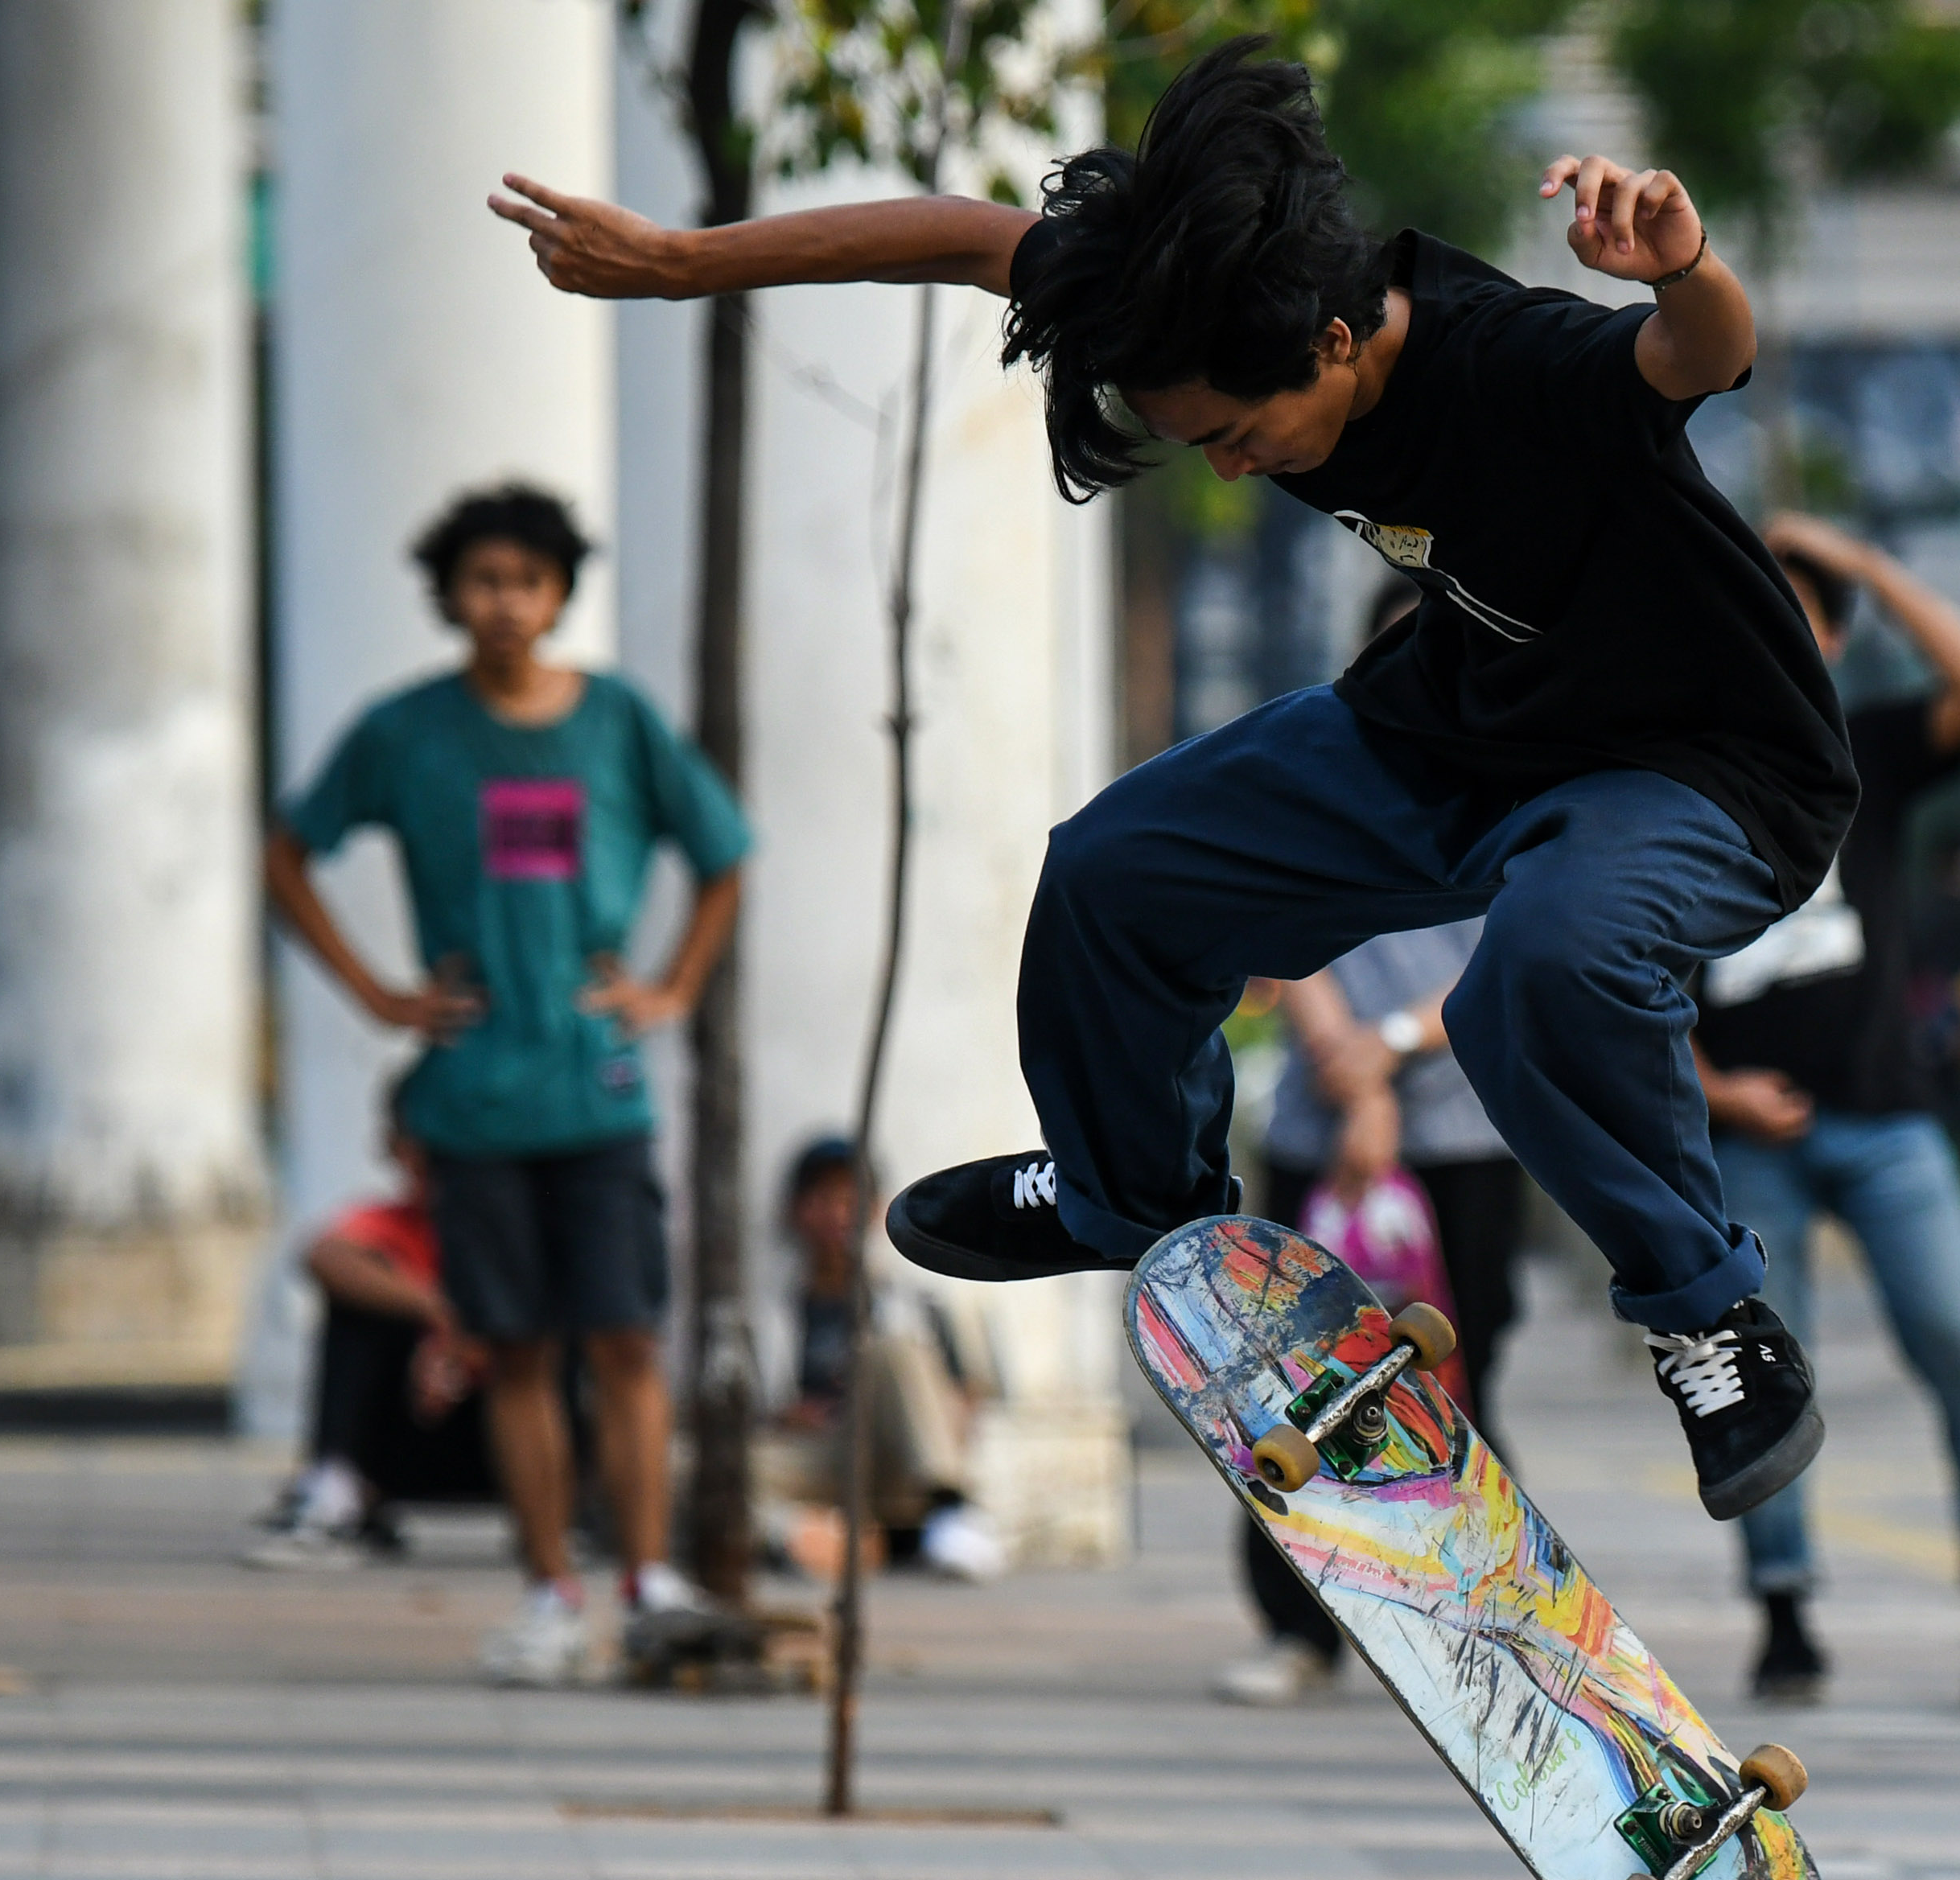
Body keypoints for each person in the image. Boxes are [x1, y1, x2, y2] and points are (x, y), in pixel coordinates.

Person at [494, 38, 1848, 1524]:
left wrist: (1680, 262)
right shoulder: (1193, 301)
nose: (1226, 467)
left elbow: (1692, 358)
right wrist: (690, 263)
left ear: (1337, 344)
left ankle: (1710, 1316)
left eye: (1236, 433)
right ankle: (1130, 1195)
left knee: (1539, 966)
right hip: (1457, 730)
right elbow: (963, 233)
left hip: (1700, 766)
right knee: (1116, 872)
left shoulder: (1506, 360)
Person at [265, 483, 750, 1686]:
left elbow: (724, 853)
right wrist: (378, 994)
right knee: (521, 1352)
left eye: (527, 582)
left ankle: (648, 1579)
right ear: (448, 595)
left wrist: (671, 985)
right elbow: (290, 851)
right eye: (482, 582)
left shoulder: (619, 723)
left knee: (628, 1341)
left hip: (601, 1085)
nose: (505, 605)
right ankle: (547, 1589)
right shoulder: (404, 732)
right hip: (473, 1096)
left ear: (558, 595)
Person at [1692, 513, 1960, 1702]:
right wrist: (1716, 1087)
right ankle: (1782, 1607)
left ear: (1828, 638)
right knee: (1774, 1378)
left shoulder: (1869, 749)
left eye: (1802, 614)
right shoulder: (1673, 768)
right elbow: (1623, 964)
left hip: (1887, 1118)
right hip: (1747, 1136)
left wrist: (1866, 564)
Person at [1227, 919, 1527, 1705]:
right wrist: (1355, 1076)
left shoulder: (1508, 805)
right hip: (1317, 1125)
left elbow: (1518, 953)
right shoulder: (1306, 797)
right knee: (1296, 1395)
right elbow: (1282, 924)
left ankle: (1473, 1624)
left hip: (1467, 1132)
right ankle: (1298, 1627)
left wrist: (1388, 1045)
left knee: (1454, 1391)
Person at [241, 1105, 494, 1568]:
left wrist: (473, 1346)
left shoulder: (519, 1229)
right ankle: (337, 1487)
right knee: (360, 1305)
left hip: (503, 1433)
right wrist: (442, 1317)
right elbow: (325, 1256)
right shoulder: (391, 1223)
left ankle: (565, 1505)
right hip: (412, 1431)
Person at [754, 1137, 1009, 1582]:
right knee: (709, 1473)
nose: (836, 1215)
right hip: (823, 1459)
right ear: (797, 1211)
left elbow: (970, 1395)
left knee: (891, 1350)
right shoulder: (771, 1314)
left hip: (899, 1458)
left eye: (849, 1199)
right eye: (822, 1200)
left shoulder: (920, 1304)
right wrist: (788, 1418)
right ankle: (891, 1543)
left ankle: (948, 1512)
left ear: (873, 1209)